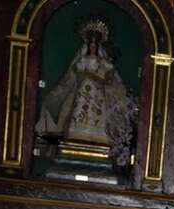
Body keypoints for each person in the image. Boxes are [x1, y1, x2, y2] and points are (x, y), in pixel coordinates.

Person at [35, 19, 136, 165]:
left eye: (95, 44)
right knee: (78, 111)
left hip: (98, 94)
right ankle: (76, 136)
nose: (93, 46)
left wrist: (96, 77)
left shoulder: (104, 63)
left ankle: (99, 138)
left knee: (98, 113)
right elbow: (78, 74)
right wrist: (90, 76)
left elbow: (108, 80)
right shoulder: (82, 60)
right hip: (83, 92)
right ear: (87, 45)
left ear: (99, 46)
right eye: (91, 44)